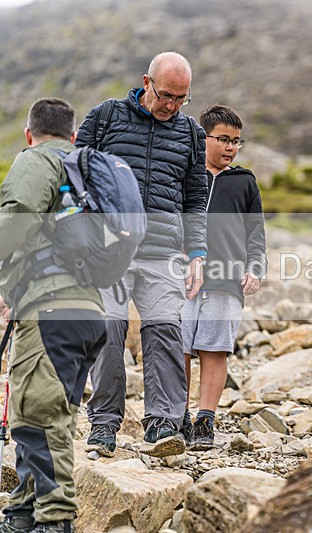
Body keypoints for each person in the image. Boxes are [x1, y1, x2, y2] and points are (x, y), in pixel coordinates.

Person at [76, 52, 207, 458]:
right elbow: (73, 173)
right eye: (166, 95)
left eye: (181, 99)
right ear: (145, 82)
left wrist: (198, 252)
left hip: (164, 250)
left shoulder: (191, 133)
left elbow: (195, 197)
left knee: (166, 331)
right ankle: (104, 424)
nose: (171, 106)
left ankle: (164, 425)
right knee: (109, 331)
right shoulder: (106, 117)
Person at [0, 98, 107, 533]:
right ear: (74, 135)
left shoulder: (37, 159)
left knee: (38, 416)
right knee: (42, 415)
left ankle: (54, 519)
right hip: (90, 312)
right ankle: (23, 515)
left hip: (49, 309)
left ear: (30, 134)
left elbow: (17, 217)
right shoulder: (90, 169)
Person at [182, 105, 266, 450]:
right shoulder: (185, 176)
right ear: (204, 138)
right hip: (183, 277)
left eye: (236, 141)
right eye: (224, 139)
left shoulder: (244, 182)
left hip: (227, 279)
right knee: (179, 348)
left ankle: (205, 419)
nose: (231, 147)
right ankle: (175, 415)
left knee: (214, 349)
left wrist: (255, 267)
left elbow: (256, 234)